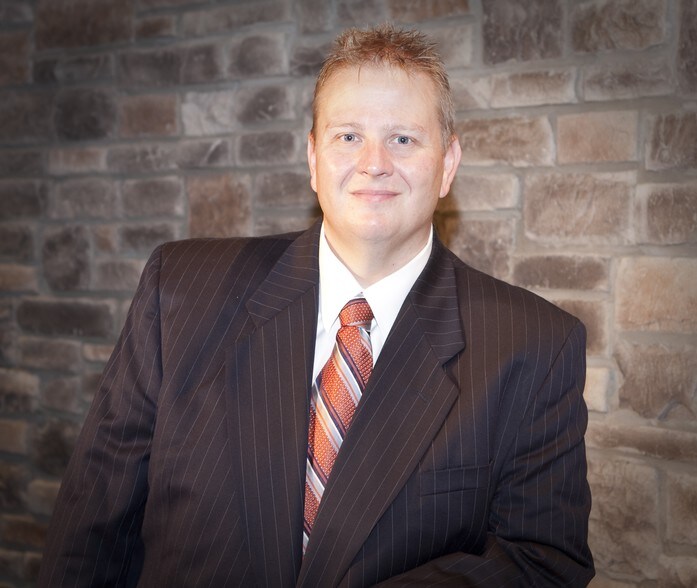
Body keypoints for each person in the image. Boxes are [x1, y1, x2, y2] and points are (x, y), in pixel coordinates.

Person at [38, 24, 594, 587]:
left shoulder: (535, 346)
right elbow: (92, 525)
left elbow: (541, 562)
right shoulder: (180, 290)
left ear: (448, 164)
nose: (374, 162)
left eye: (404, 139)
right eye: (348, 136)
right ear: (312, 158)